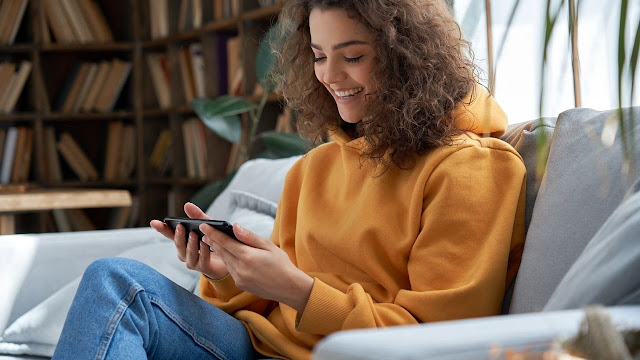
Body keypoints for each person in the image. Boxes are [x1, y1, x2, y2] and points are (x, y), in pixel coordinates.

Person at [52, 0, 526, 359]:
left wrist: (298, 290)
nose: (331, 76)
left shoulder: (472, 170)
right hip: (257, 346)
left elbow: (437, 343)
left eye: (353, 56)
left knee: (119, 286)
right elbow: (264, 299)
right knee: (117, 282)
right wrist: (225, 274)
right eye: (319, 56)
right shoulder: (314, 168)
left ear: (409, 58)